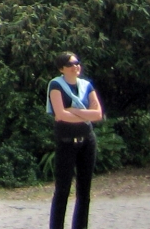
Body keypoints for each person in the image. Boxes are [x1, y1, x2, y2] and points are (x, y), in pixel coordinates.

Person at [49, 51, 104, 229]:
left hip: (87, 141)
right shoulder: (56, 85)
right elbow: (60, 115)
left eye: (77, 63)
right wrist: (83, 114)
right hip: (66, 141)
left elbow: (98, 114)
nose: (75, 67)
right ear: (62, 68)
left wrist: (74, 111)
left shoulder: (86, 85)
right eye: (71, 64)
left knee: (84, 192)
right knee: (62, 190)